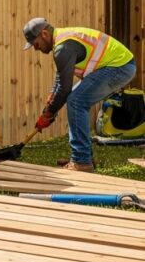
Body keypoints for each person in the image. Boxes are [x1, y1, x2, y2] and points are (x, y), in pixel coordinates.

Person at [22, 17, 136, 172]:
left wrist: (48, 113)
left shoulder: (63, 48)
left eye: (35, 44)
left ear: (44, 34)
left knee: (76, 101)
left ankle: (81, 161)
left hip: (119, 67)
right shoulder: (61, 41)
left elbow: (64, 89)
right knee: (76, 100)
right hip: (118, 65)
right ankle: (84, 157)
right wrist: (51, 99)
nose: (35, 48)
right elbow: (61, 77)